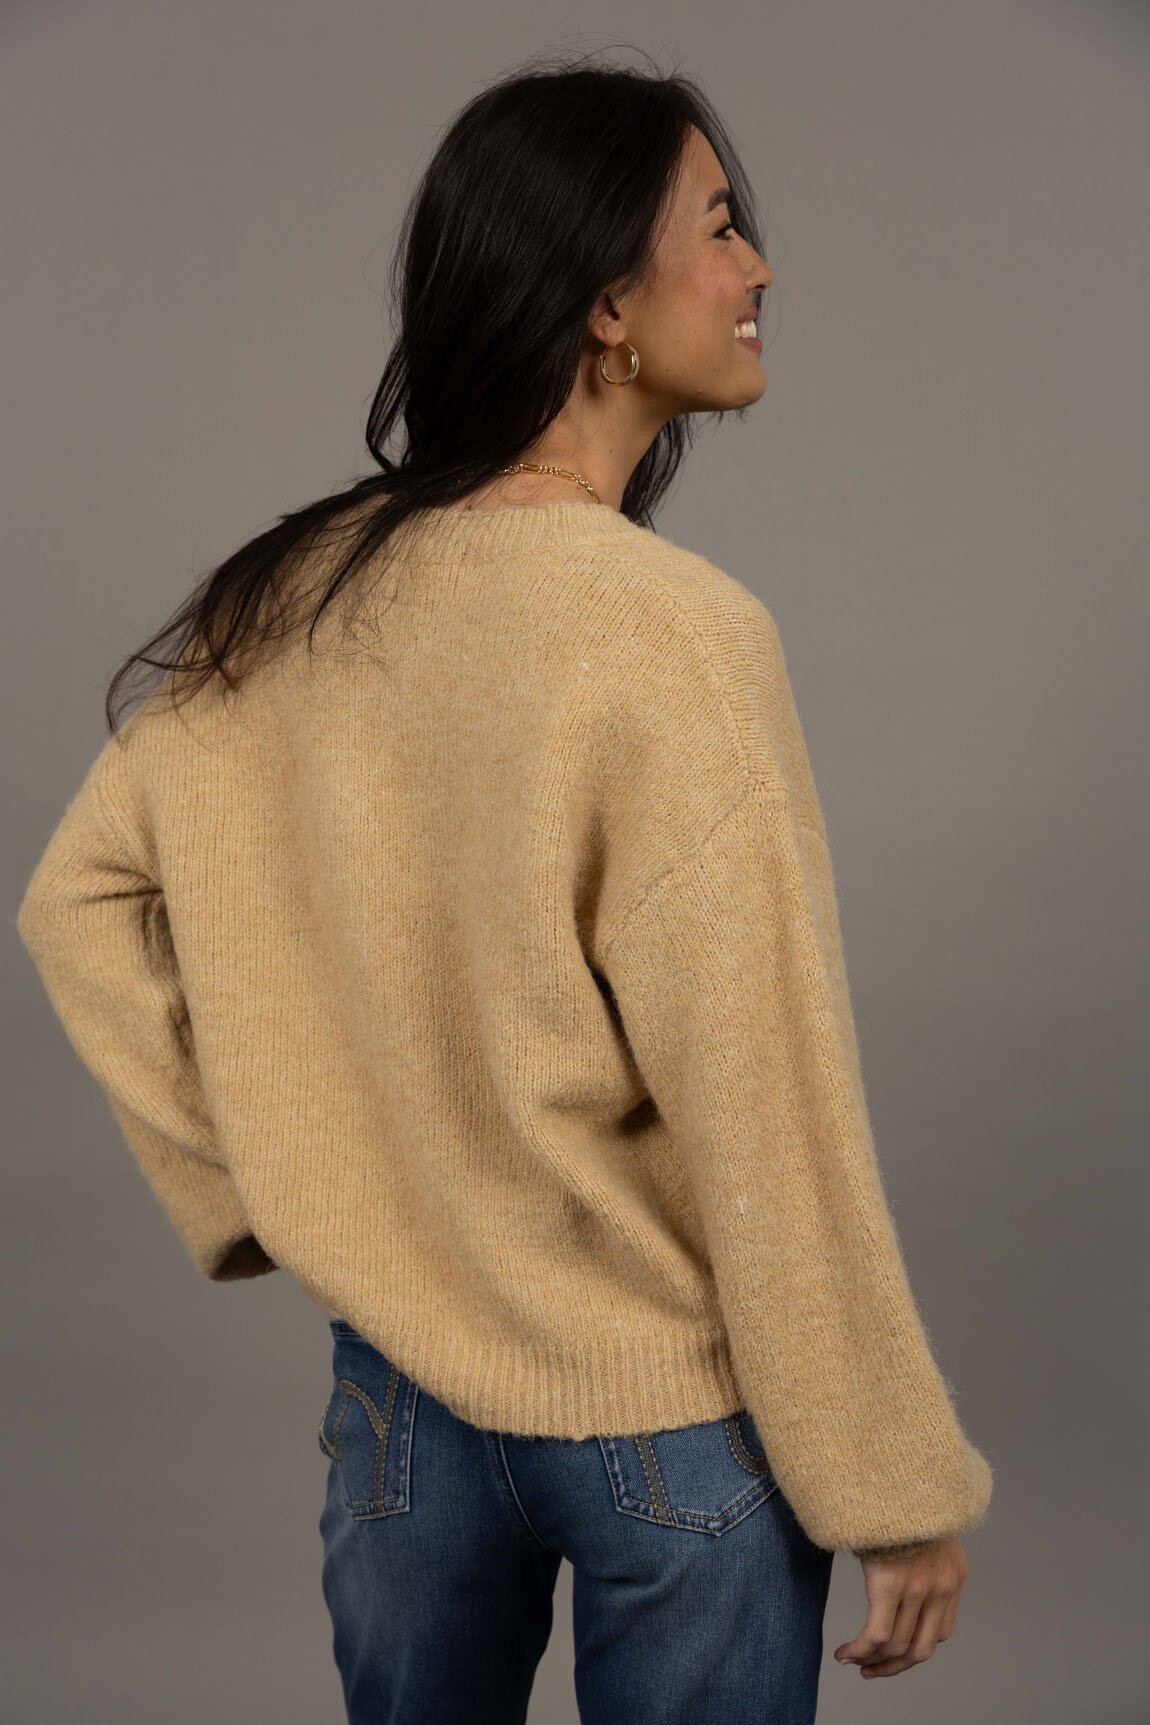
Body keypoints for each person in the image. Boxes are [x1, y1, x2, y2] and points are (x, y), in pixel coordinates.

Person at [15, 50, 992, 1725]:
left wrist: (269, 1185)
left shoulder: (293, 600)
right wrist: (888, 1477)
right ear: (606, 304)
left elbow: (77, 902)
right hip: (666, 1424)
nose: (757, 266)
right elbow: (765, 1094)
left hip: (398, 1413)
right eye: (719, 225)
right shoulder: (672, 633)